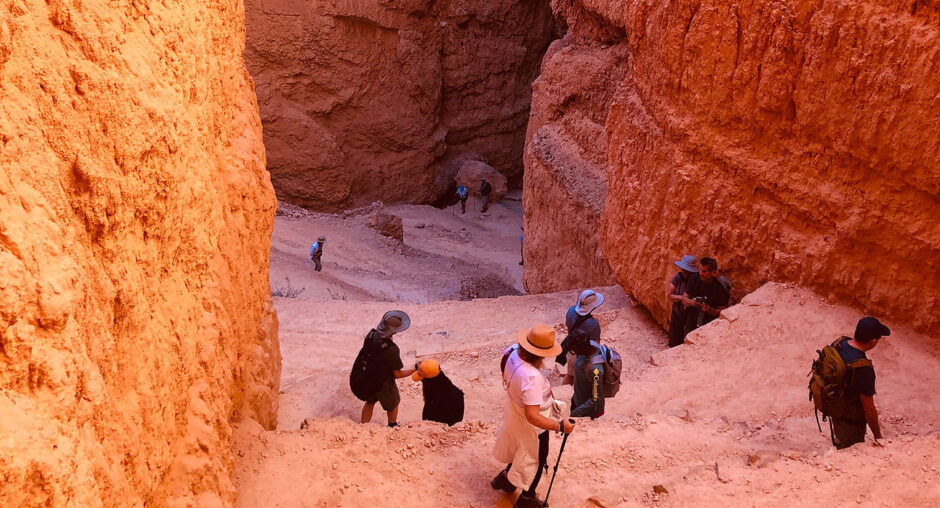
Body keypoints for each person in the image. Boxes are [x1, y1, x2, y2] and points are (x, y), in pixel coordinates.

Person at [492, 324, 575, 508]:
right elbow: (533, 416)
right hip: (530, 426)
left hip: (513, 412)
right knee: (537, 459)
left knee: (518, 449)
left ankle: (506, 480)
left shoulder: (512, 352)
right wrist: (560, 426)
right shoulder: (532, 377)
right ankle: (526, 500)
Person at [831, 317, 890, 449]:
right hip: (850, 420)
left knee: (840, 436)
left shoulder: (840, 343)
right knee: (849, 449)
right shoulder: (863, 369)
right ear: (873, 341)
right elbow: (868, 408)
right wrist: (878, 436)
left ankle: (839, 443)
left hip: (835, 405)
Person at [360, 311, 417, 427]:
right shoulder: (392, 349)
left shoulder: (371, 336)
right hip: (384, 382)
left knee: (370, 402)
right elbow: (397, 374)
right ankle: (392, 425)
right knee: (393, 403)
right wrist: (414, 370)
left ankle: (363, 426)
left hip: (370, 376)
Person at [559, 289, 604, 378]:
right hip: (584, 358)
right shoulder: (593, 324)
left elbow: (568, 325)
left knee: (570, 376)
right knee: (584, 381)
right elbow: (595, 346)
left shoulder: (571, 311)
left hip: (570, 350)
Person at [680, 257, 730, 334]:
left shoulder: (719, 288)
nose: (700, 273)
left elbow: (723, 311)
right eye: (700, 269)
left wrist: (710, 310)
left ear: (713, 272)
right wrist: (692, 302)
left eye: (704, 271)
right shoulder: (694, 279)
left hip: (710, 325)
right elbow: (684, 299)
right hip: (691, 320)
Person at [413, 359, 465, 426]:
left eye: (421, 378)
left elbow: (429, 419)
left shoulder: (434, 398)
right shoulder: (445, 385)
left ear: (427, 379)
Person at [567, 332, 605, 419]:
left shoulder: (596, 370)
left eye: (575, 350)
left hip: (588, 412)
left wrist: (575, 413)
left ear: (583, 348)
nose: (574, 353)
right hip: (578, 400)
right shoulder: (587, 346)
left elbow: (596, 399)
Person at [666, 255, 698, 347]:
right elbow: (670, 295)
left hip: (690, 314)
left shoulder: (696, 280)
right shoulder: (678, 277)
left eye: (686, 270)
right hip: (677, 312)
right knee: (674, 338)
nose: (684, 271)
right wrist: (682, 298)